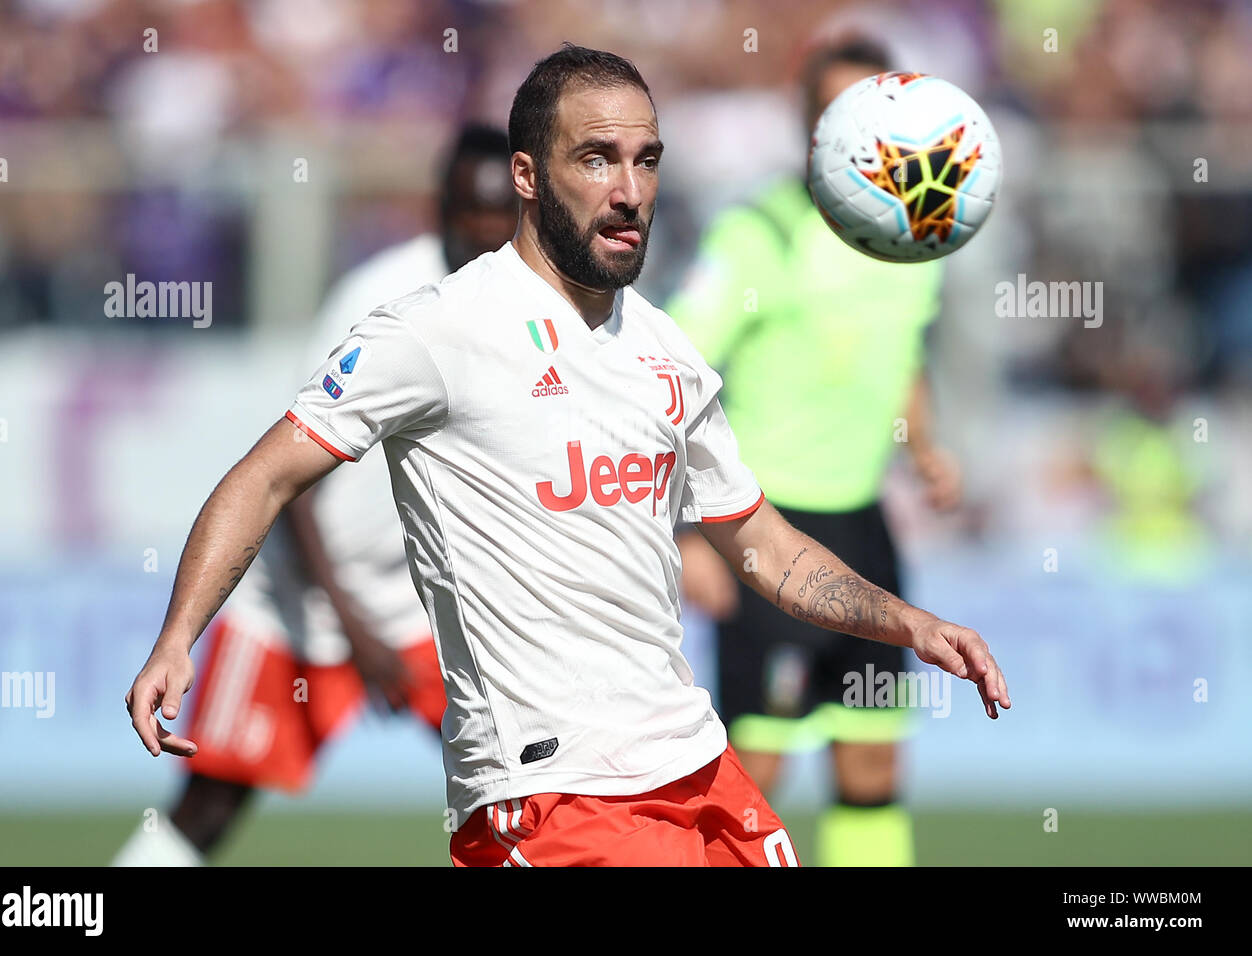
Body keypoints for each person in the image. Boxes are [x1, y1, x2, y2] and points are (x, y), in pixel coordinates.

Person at [126, 44, 1009, 869]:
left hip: (697, 769)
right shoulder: (435, 332)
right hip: (549, 794)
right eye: (596, 159)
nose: (629, 189)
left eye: (647, 159)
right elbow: (264, 475)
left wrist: (910, 625)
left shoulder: (665, 351)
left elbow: (762, 546)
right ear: (528, 175)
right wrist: (177, 638)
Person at [112, 124, 518, 866]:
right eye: (471, 214)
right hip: (303, 605)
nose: (487, 233)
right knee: (208, 808)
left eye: (503, 216)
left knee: (518, 797)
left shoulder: (531, 304)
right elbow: (291, 485)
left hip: (425, 607)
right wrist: (355, 628)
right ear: (440, 210)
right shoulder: (378, 300)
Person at [666, 35, 962, 867]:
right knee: (753, 778)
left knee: (871, 765)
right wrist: (691, 532)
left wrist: (925, 444)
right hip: (768, 531)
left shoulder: (911, 237)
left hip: (865, 528)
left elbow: (902, 354)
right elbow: (671, 377)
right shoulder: (758, 234)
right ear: (806, 124)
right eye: (831, 115)